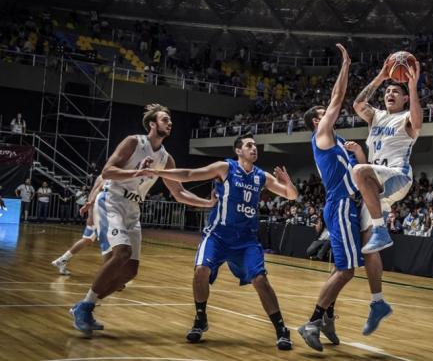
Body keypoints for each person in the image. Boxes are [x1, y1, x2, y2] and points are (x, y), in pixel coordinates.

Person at [137, 133, 297, 350]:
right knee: (201, 269)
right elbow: (190, 174)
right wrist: (156, 171)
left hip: (246, 240)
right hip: (218, 235)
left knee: (260, 280)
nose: (254, 148)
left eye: (255, 146)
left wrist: (288, 184)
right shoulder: (225, 167)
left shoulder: (262, 176)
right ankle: (200, 318)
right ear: (238, 151)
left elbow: (291, 196)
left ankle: (281, 329)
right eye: (249, 145)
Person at [70, 104, 216, 336]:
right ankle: (86, 307)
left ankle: (84, 305)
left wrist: (206, 203)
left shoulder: (166, 159)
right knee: (122, 254)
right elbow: (107, 172)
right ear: (152, 124)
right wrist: (136, 173)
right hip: (112, 201)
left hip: (133, 208)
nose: (170, 123)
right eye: (165, 119)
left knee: (129, 273)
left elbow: (179, 193)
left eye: (170, 120)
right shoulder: (133, 142)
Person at [298, 44, 364, 352]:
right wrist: (346, 65)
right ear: (316, 121)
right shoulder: (322, 135)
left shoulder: (338, 144)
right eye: (324, 114)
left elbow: (359, 174)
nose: (330, 113)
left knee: (343, 267)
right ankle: (313, 320)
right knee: (346, 270)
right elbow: (337, 99)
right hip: (340, 206)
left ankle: (328, 316)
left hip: (346, 206)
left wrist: (358, 154)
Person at [351, 54, 422, 334]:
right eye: (388, 91)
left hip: (397, 178)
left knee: (358, 172)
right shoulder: (376, 116)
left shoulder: (407, 116)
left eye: (396, 91)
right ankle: (377, 302)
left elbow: (418, 123)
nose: (391, 93)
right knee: (369, 249)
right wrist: (382, 75)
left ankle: (381, 229)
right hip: (377, 188)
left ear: (404, 99)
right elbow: (357, 103)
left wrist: (413, 86)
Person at [51, 177, 104, 276]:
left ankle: (62, 260)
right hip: (100, 215)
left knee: (86, 240)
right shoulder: (107, 175)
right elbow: (94, 193)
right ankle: (115, 273)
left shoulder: (108, 175)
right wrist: (91, 215)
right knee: (114, 243)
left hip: (101, 214)